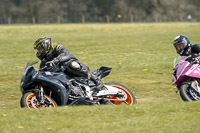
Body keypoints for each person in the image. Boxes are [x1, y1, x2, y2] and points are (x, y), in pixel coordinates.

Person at [33, 37, 104, 94]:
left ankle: (97, 81)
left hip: (72, 71)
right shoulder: (43, 63)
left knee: (72, 64)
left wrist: (54, 61)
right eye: (38, 50)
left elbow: (65, 56)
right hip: (62, 78)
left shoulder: (58, 49)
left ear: (46, 46)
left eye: (40, 49)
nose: (38, 52)